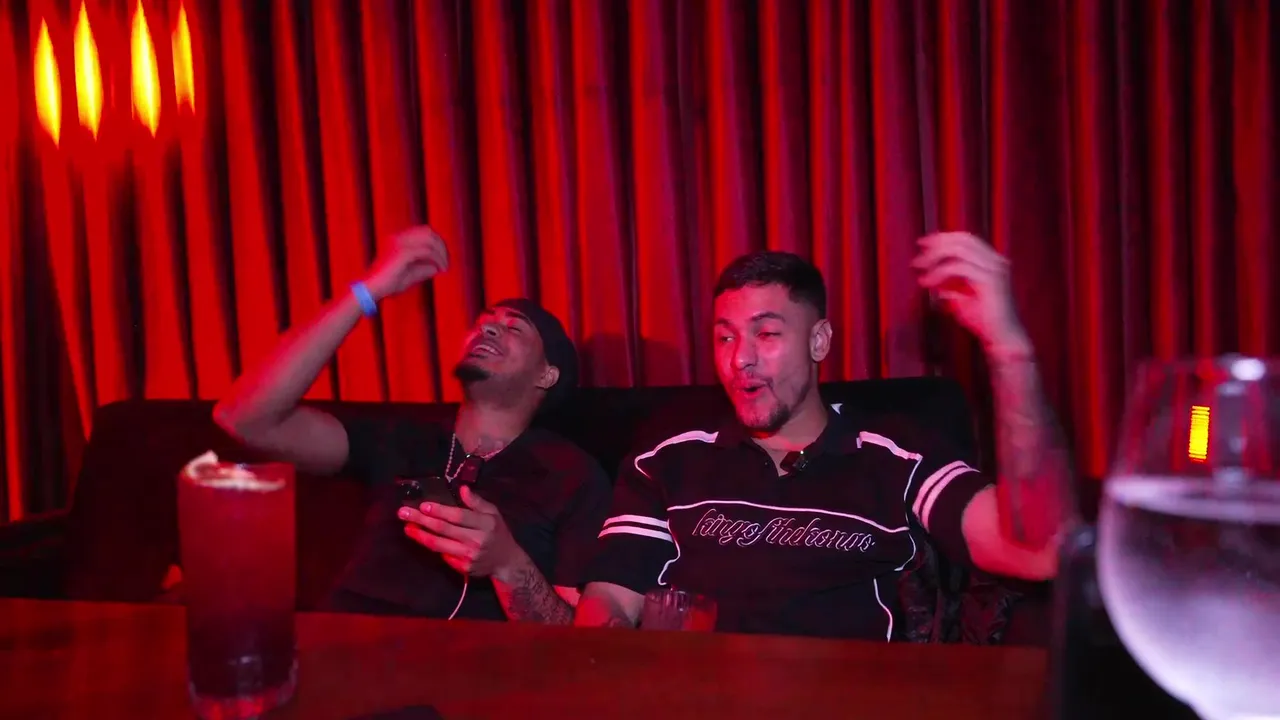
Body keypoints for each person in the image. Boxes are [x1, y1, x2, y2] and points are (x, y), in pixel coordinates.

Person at [574, 232, 1074, 639]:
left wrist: (1010, 353)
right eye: (725, 337)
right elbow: (611, 595)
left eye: (767, 334)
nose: (739, 358)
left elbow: (1038, 548)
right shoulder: (667, 456)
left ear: (819, 341)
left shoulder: (897, 455)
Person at [214, 226, 611, 624]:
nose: (487, 328)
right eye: (483, 321)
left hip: (464, 659)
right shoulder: (400, 438)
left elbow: (579, 642)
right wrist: (368, 292)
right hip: (341, 642)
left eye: (515, 327)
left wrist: (508, 564)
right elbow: (245, 419)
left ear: (547, 375)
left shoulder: (572, 475)